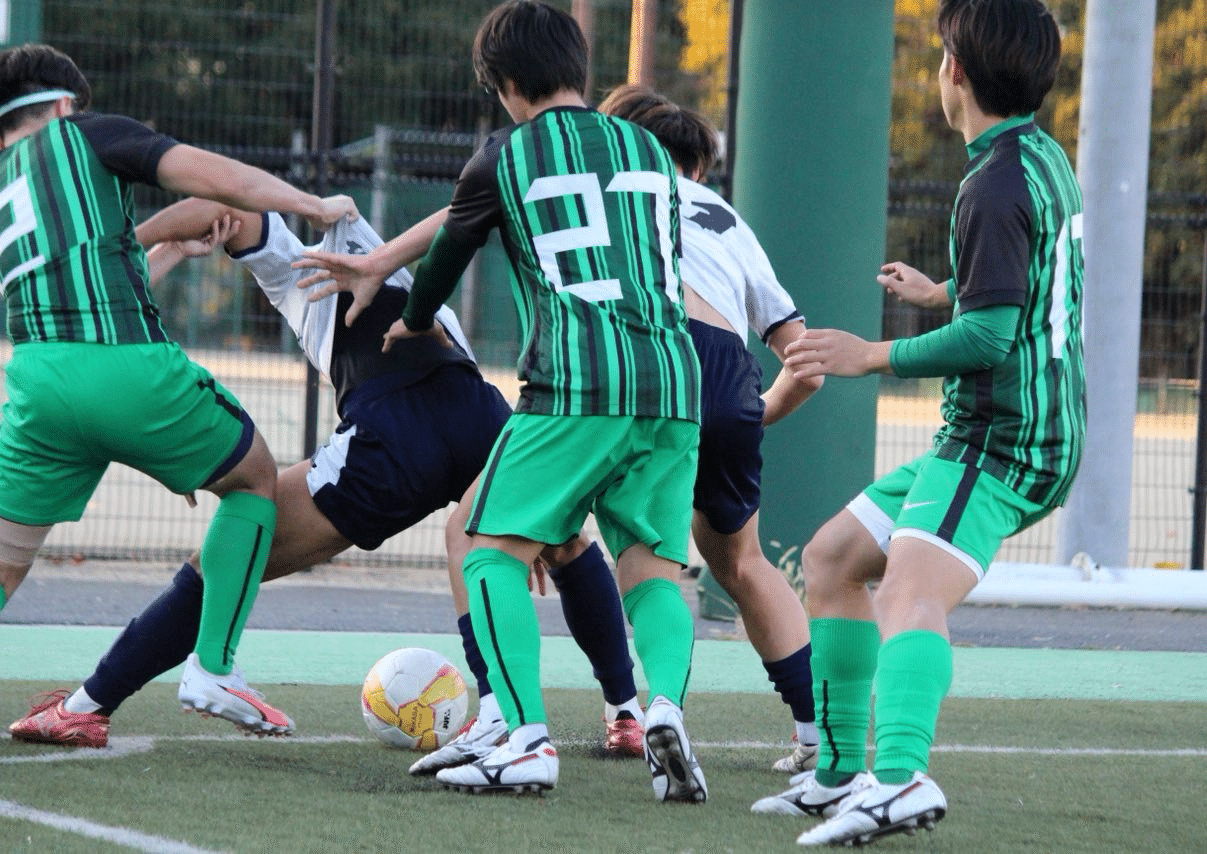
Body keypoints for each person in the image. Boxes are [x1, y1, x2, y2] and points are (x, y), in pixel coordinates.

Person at [8, 197, 646, 762]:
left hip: (392, 436)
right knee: (566, 543)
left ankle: (88, 707)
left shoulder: (290, 258)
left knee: (230, 559)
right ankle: (624, 713)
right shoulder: (386, 245)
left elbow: (217, 206)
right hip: (478, 412)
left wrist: (127, 246)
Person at [300, 0, 706, 802]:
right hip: (673, 378)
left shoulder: (504, 154)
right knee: (652, 565)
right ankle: (662, 706)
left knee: (487, 548)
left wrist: (414, 324)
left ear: (504, 83)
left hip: (579, 381)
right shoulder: (651, 149)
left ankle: (523, 737)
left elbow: (453, 248)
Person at [752, 0, 1085, 844]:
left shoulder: (993, 183)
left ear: (958, 73)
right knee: (831, 559)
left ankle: (898, 779)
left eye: (942, 55)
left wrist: (869, 354)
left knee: (907, 591)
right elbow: (1022, 292)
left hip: (1003, 438)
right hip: (1001, 429)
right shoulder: (1039, 158)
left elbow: (991, 336)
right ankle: (837, 777)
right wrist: (944, 291)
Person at [0, 43, 357, 737]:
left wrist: (165, 252)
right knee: (254, 479)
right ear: (66, 105)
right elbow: (213, 176)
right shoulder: (83, 133)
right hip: (122, 367)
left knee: (6, 562)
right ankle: (215, 666)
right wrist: (310, 202)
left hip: (37, 384)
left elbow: (87, 270)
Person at [596, 84, 824, 773]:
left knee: (587, 546)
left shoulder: (599, 192)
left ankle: (611, 711)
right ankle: (818, 736)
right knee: (740, 563)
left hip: (643, 355)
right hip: (728, 368)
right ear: (694, 168)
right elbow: (807, 366)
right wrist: (752, 416)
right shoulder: (724, 215)